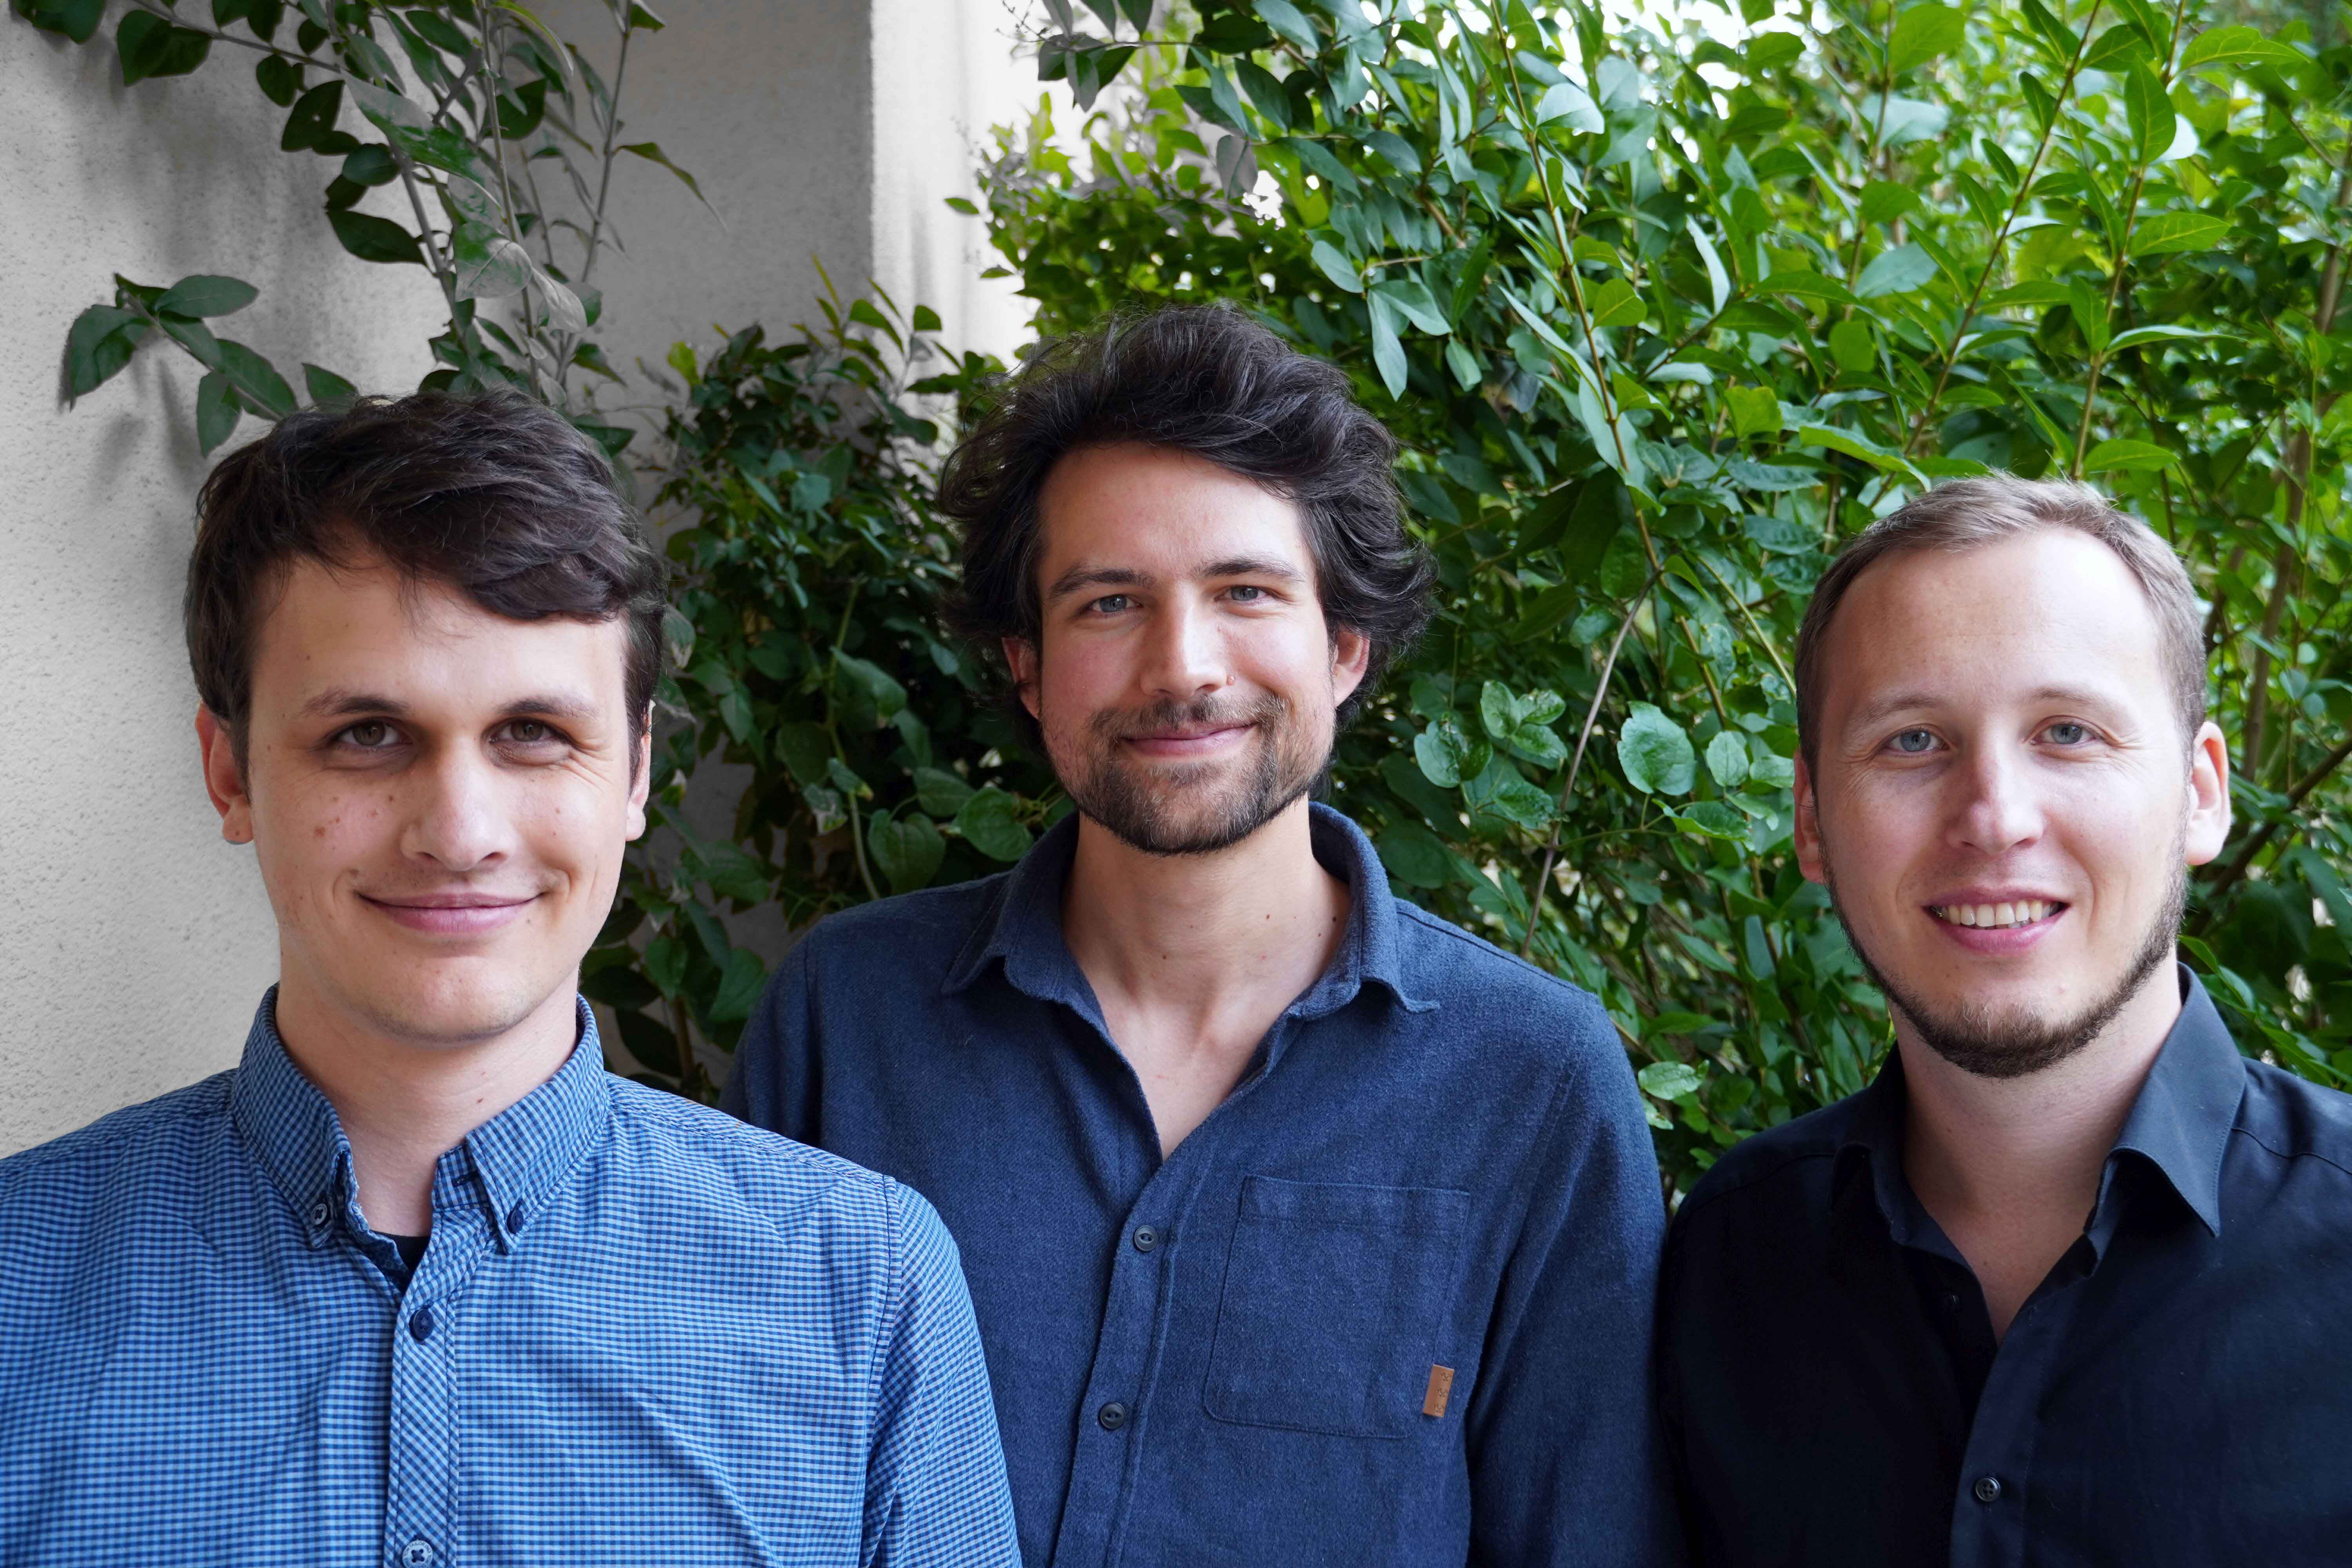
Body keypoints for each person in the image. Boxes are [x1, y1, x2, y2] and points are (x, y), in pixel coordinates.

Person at [725, 305, 1676, 1566]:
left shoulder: (1535, 1085)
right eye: (1110, 602)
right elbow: (728, 1484)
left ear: (1343, 646)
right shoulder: (849, 1017)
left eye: (1245, 592)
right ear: (1027, 664)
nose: (1183, 667)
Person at [0, 392, 1019, 1566]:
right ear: (230, 773)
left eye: (534, 731)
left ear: (635, 774)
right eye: (368, 734)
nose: (460, 830)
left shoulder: (863, 1287)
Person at [1658, 475, 2352, 1565]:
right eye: (1911, 743)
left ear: (2202, 795)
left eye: (2068, 732)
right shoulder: (1727, 1266)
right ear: (1811, 820)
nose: (1994, 818)